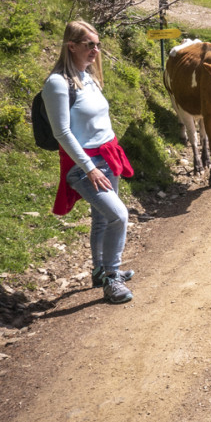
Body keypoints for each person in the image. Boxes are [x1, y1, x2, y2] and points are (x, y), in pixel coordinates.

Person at [42, 21, 135, 304]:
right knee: (118, 216)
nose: (96, 49)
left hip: (107, 155)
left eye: (97, 44)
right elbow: (62, 132)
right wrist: (89, 168)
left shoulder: (88, 76)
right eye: (89, 45)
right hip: (83, 164)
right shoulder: (57, 83)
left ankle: (99, 271)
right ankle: (112, 277)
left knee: (102, 218)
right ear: (71, 46)